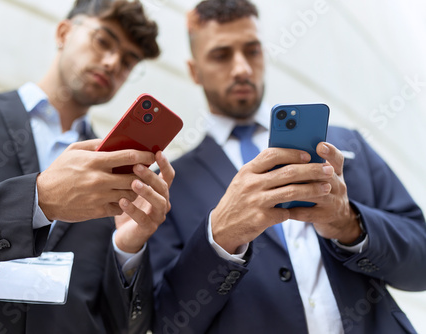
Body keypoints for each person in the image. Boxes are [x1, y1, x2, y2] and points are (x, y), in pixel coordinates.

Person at [148, 0, 426, 333]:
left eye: (251, 51)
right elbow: (169, 322)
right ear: (194, 71)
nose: (241, 68)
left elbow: (421, 263)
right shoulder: (170, 183)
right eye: (221, 55)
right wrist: (220, 239)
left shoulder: (345, 144)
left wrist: (349, 224)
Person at [0, 0, 172, 333]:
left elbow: (130, 325)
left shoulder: (118, 172)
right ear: (63, 32)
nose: (113, 62)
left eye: (129, 61)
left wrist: (126, 249)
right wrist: (36, 201)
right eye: (103, 41)